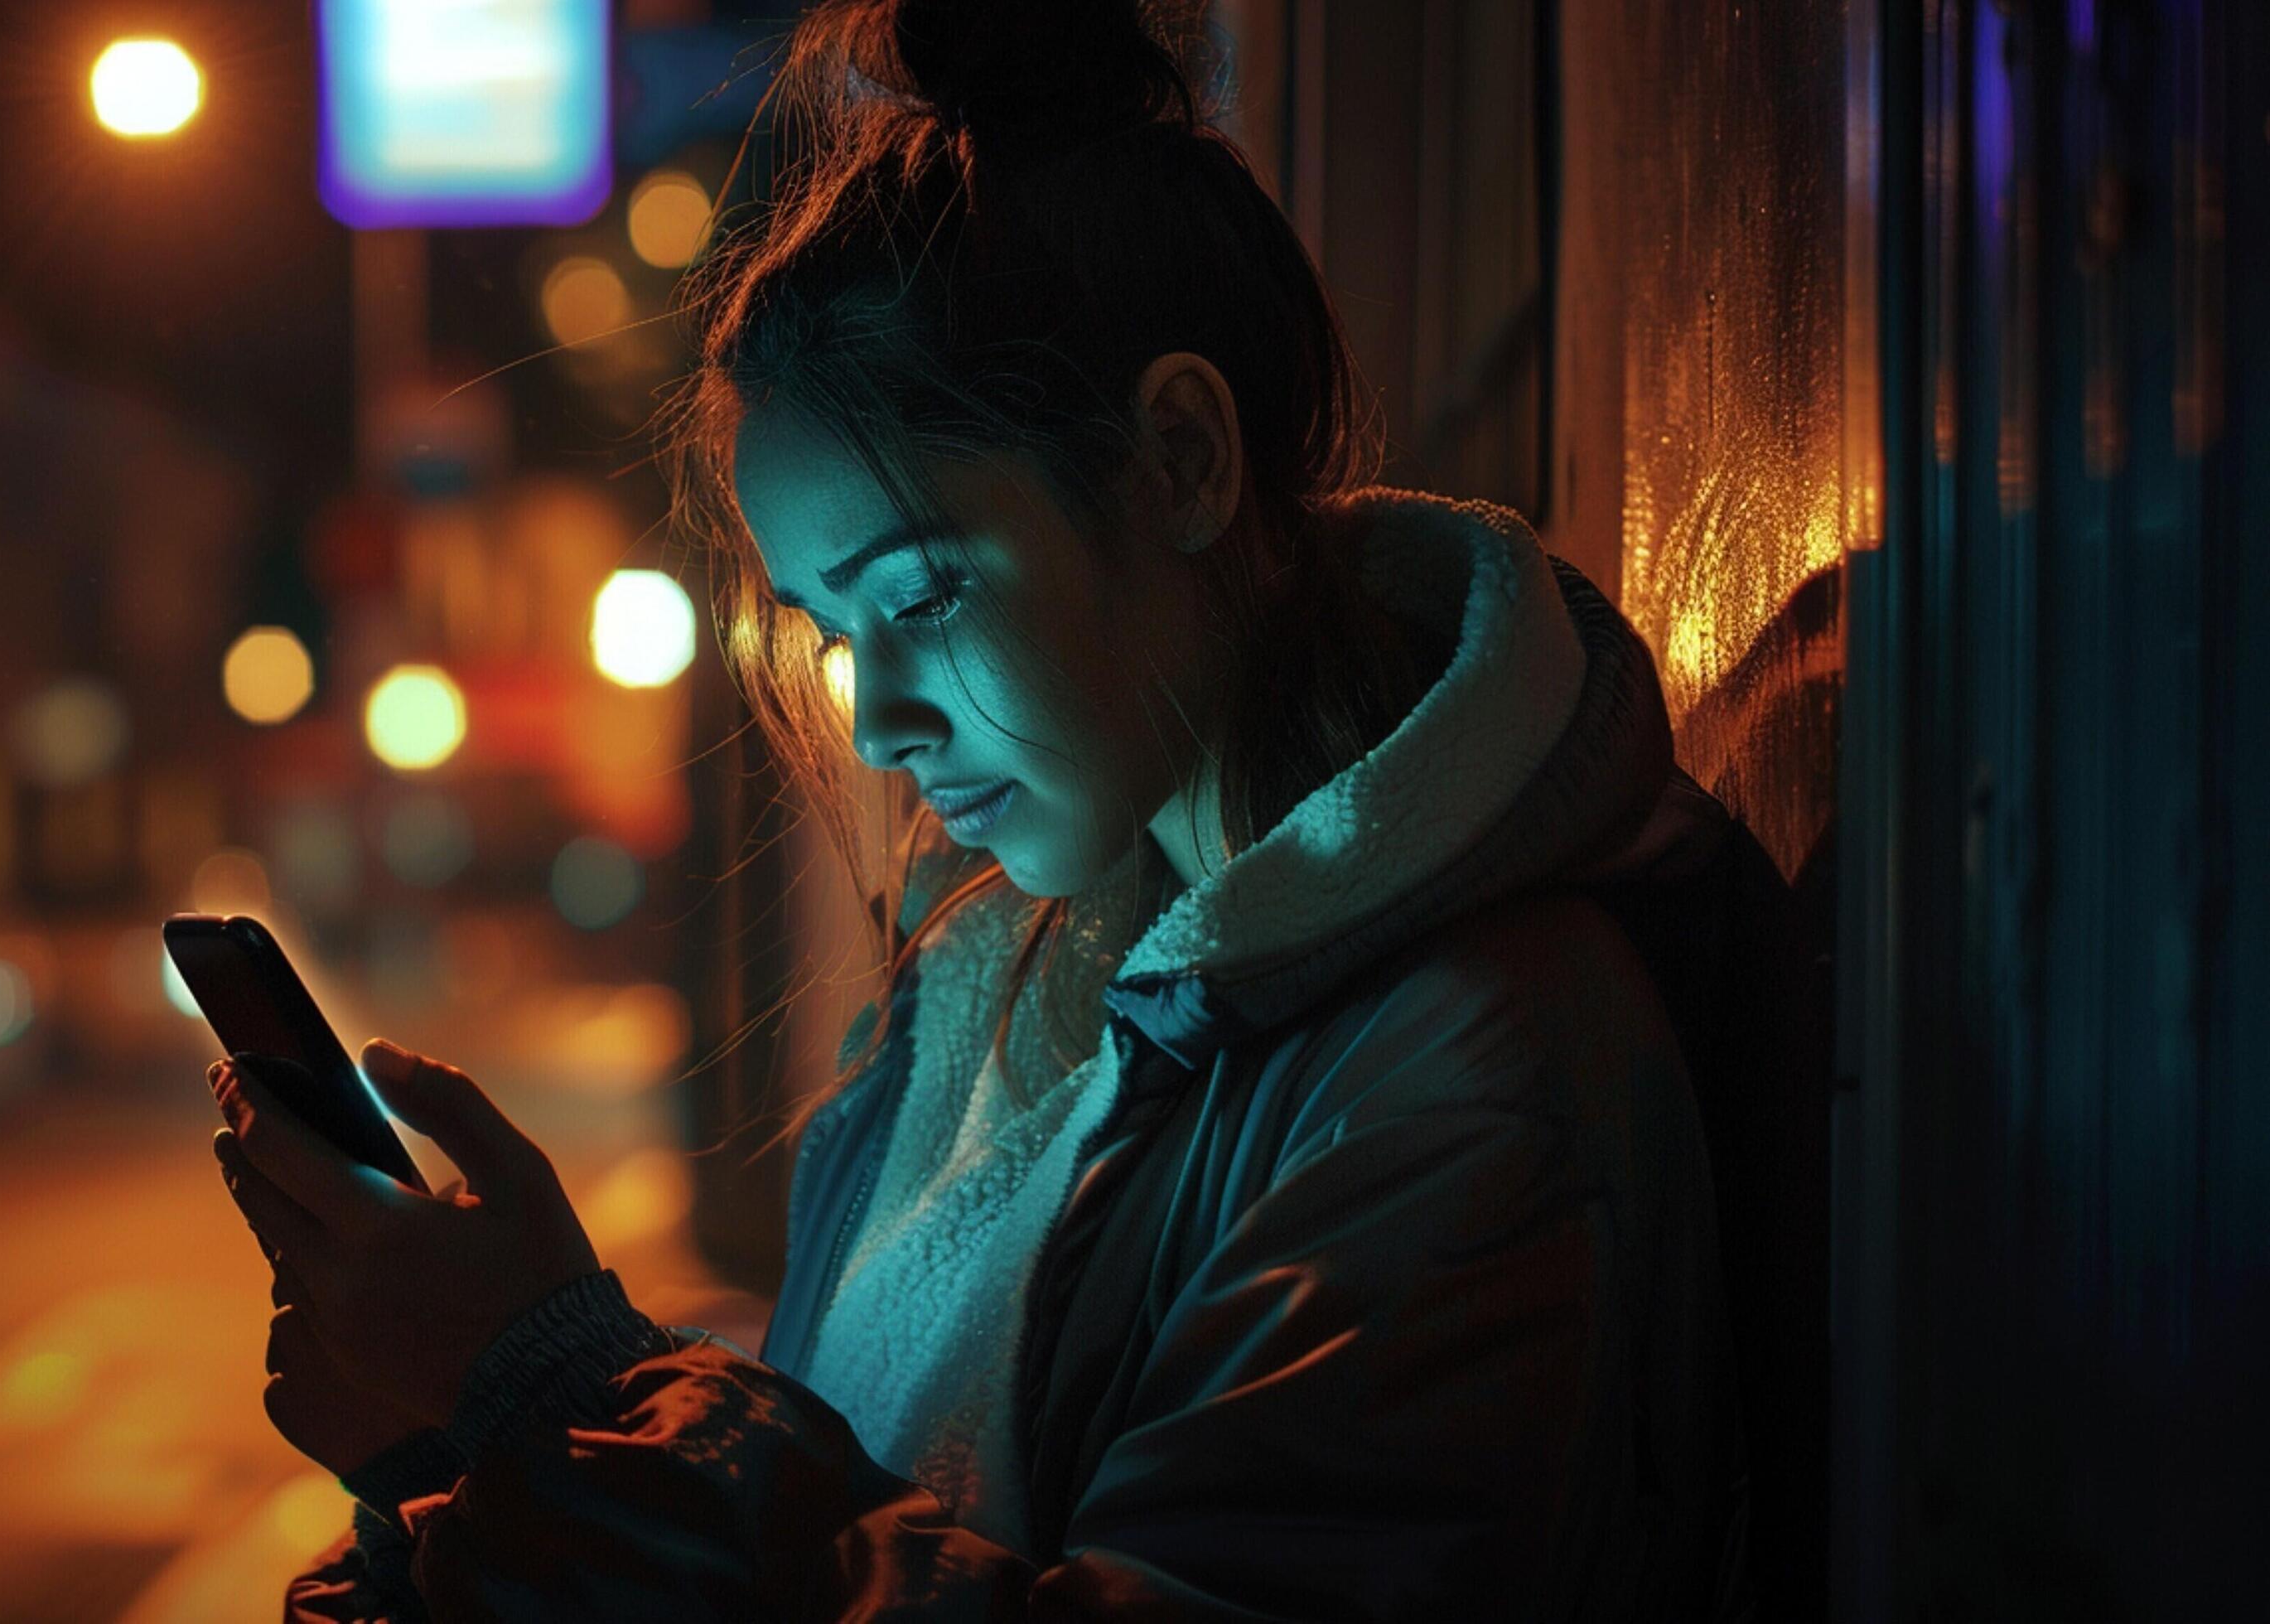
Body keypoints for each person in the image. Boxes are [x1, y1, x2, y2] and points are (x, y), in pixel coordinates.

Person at [205, 0, 1777, 1615]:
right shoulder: (991, 1001)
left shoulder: (1470, 1078)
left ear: (1178, 459)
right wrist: (447, 1473)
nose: (877, 718)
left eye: (929, 590)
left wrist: (554, 1397)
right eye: (835, 627)